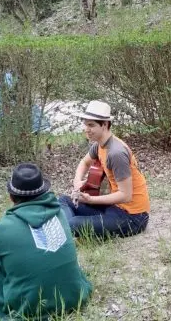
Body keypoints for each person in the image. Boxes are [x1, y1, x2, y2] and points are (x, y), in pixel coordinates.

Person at [0, 163, 92, 319]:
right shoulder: (60, 213)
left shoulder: (0, 230)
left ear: (11, 196)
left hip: (30, 306)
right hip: (73, 295)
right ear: (43, 191)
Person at [58, 100, 150, 239]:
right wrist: (77, 182)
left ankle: (64, 227)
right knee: (64, 201)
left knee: (73, 224)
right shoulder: (99, 145)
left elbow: (126, 196)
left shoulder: (116, 153)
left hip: (133, 216)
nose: (86, 129)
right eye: (85, 124)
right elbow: (84, 162)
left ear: (105, 125)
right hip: (113, 207)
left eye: (91, 125)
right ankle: (65, 227)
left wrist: (91, 200)